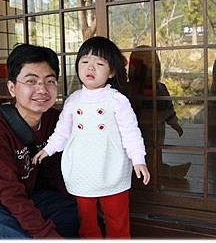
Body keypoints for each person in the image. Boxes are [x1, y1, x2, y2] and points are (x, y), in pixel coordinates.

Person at [33, 36, 150, 239]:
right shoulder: (73, 100)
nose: (90, 68)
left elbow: (131, 133)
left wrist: (138, 159)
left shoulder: (117, 100)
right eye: (85, 61)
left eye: (99, 63)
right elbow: (62, 132)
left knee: (117, 219)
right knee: (86, 219)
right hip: (82, 169)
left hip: (111, 167)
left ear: (111, 72)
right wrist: (48, 149)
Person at [0, 44, 79, 239]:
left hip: (29, 196)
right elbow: (7, 192)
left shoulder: (55, 120)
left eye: (49, 81)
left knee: (76, 213)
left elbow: (55, 173)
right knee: (12, 232)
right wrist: (46, 235)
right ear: (12, 88)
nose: (42, 89)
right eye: (31, 81)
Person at [128, 46, 191, 180]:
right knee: (142, 153)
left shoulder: (160, 88)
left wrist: (174, 123)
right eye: (147, 67)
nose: (152, 70)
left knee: (156, 152)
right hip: (139, 130)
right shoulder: (130, 90)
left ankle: (160, 170)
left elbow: (168, 106)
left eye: (155, 66)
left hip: (157, 129)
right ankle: (156, 173)